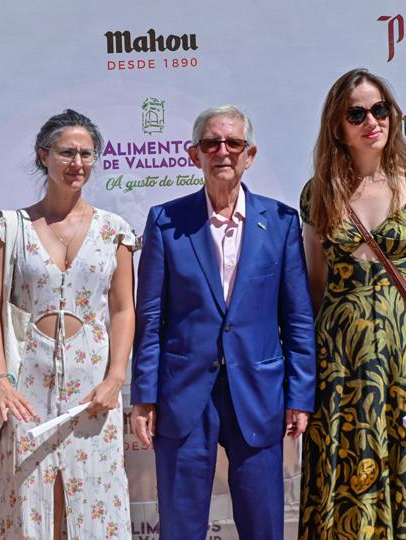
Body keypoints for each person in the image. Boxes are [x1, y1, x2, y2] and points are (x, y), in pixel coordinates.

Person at [130, 105, 316, 540]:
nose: (223, 152)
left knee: (263, 524)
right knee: (180, 526)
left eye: (233, 143)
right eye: (212, 143)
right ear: (194, 155)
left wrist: (300, 394)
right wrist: (143, 396)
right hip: (183, 393)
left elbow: (298, 318)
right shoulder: (165, 221)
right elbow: (150, 317)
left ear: (249, 154)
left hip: (258, 391)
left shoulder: (283, 222)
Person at [298, 68, 406, 538]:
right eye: (357, 113)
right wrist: (306, 373)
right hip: (341, 367)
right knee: (347, 475)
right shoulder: (318, 193)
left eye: (380, 109)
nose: (372, 121)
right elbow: (315, 286)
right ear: (338, 126)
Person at [0, 109, 134, 539]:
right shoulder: (11, 227)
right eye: (67, 152)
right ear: (43, 156)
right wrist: (0, 380)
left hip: (93, 390)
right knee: (33, 503)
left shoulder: (114, 231)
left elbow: (123, 309)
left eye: (86, 153)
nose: (77, 163)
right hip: (26, 388)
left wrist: (116, 377)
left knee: (95, 504)